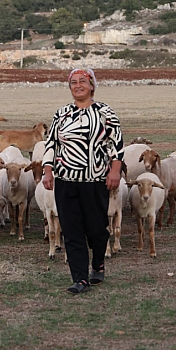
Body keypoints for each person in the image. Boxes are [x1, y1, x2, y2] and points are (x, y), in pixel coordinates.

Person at [42, 68, 124, 294]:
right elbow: (51, 145)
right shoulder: (61, 114)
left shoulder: (105, 113)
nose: (78, 85)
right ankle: (80, 278)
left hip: (95, 180)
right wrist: (48, 171)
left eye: (82, 82)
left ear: (92, 86)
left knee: (97, 229)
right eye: (73, 83)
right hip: (66, 180)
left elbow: (116, 145)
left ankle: (98, 263)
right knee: (71, 228)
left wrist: (114, 171)